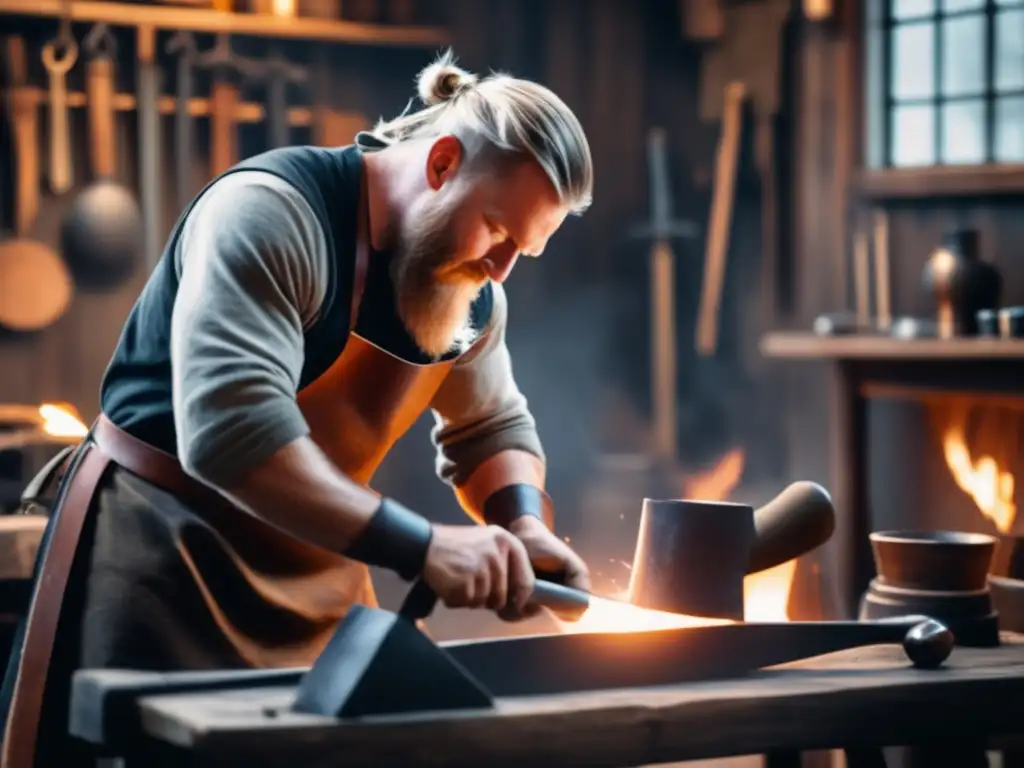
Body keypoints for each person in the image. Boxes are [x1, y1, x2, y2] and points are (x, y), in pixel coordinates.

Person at [0, 50, 595, 767]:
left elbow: (491, 426)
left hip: (321, 569)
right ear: (441, 163)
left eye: (522, 250)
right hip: (165, 557)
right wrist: (425, 548)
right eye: (499, 230)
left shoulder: (472, 289)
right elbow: (232, 434)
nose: (502, 269)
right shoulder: (272, 212)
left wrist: (521, 522)